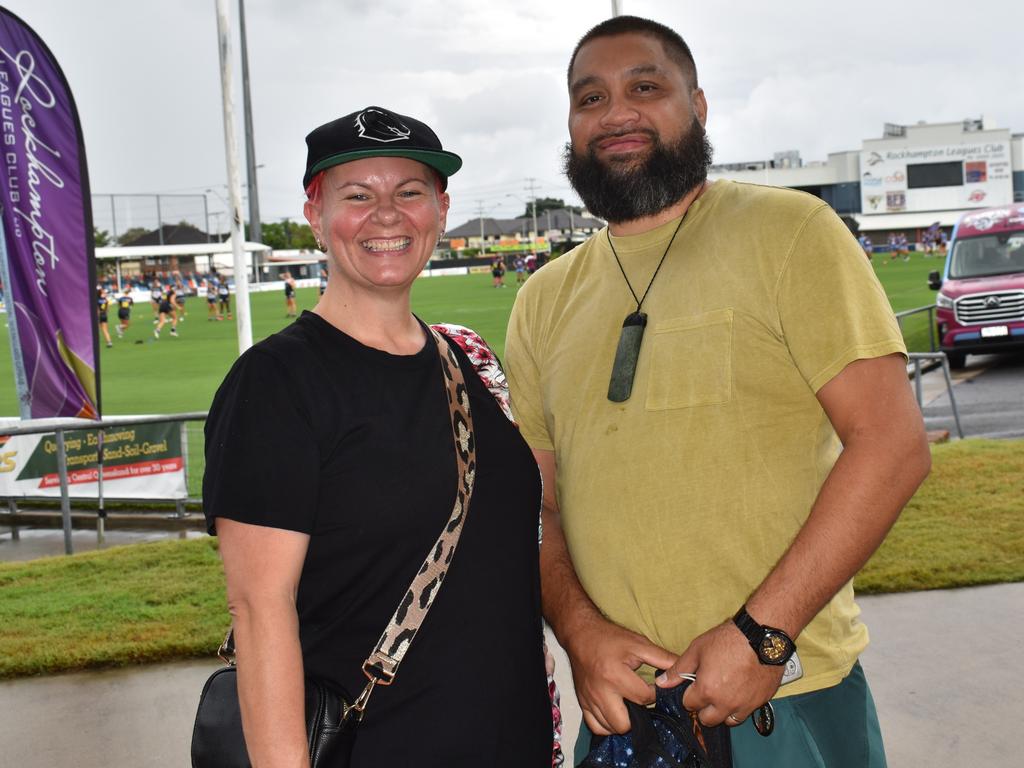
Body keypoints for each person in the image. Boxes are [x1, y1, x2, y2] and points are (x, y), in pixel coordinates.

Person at [504, 16, 930, 767]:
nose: (617, 113)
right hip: (621, 707)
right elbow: (535, 505)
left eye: (645, 87)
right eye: (590, 98)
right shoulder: (543, 298)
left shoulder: (791, 232)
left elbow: (892, 446)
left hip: (785, 696)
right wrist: (579, 632)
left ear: (697, 105)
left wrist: (764, 633)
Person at [203, 105, 560, 767]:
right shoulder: (277, 383)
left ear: (442, 208)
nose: (387, 215)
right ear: (315, 215)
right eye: (358, 196)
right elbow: (259, 608)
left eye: (409, 192)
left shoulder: (471, 361)